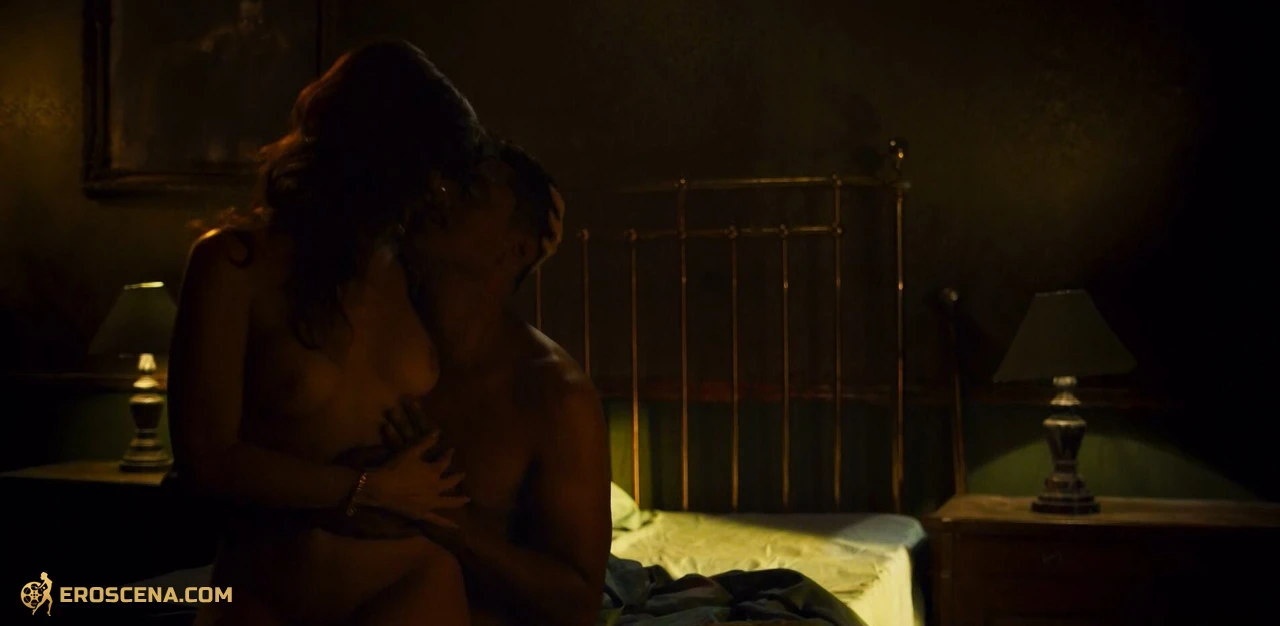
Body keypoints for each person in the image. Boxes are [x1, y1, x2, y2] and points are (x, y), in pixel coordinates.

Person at [168, 39, 487, 626]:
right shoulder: (233, 265)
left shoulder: (417, 269)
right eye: (417, 171)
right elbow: (206, 459)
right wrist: (363, 489)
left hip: (409, 583)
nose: (429, 193)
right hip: (267, 588)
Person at [384, 139, 612, 625]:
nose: (439, 196)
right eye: (441, 182)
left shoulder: (554, 395)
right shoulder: (362, 342)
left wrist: (446, 520)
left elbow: (578, 603)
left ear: (518, 248)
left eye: (470, 191)